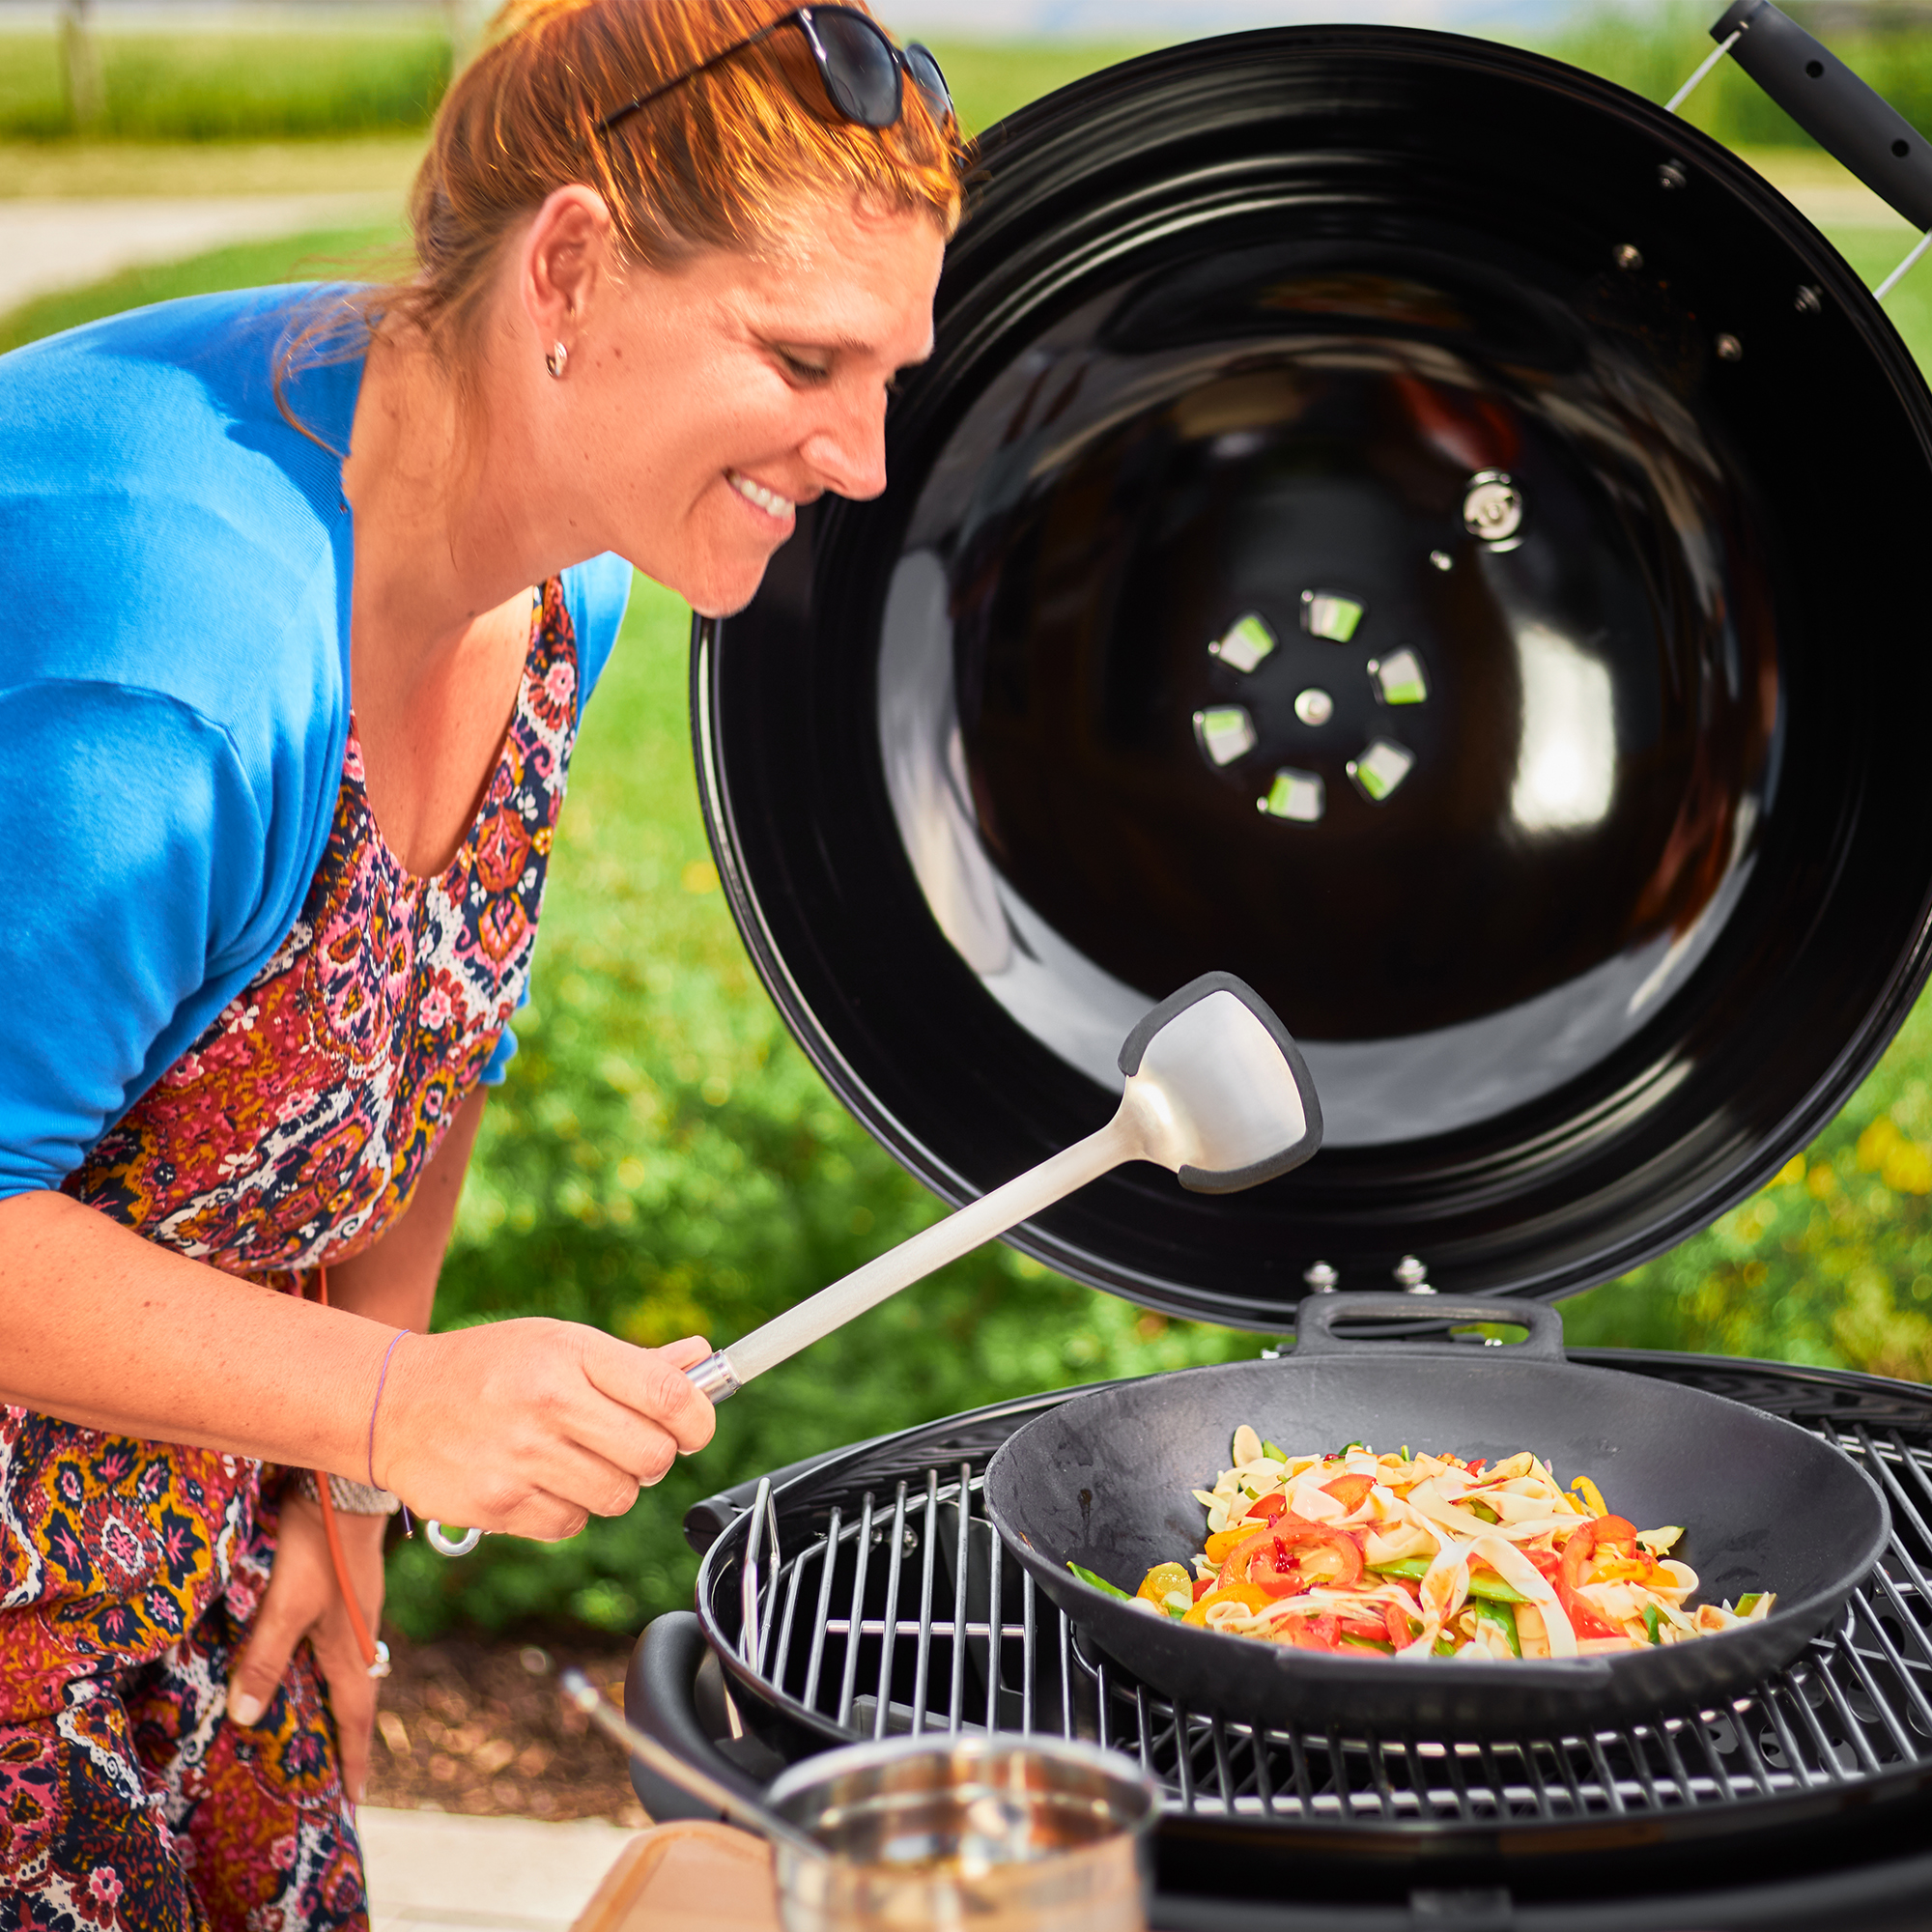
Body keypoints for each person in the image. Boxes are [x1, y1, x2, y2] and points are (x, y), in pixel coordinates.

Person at [0, 0, 965, 1922]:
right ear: (575, 265)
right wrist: (391, 1410)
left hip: (186, 1486)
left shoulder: (567, 566)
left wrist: (343, 1459)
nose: (863, 458)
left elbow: (430, 1016)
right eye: (801, 360)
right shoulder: (171, 649)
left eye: (889, 377)